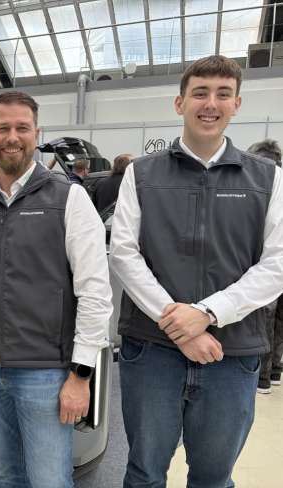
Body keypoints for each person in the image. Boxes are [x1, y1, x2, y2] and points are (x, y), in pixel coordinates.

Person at [109, 55, 283, 488]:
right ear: (179, 102)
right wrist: (178, 325)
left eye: (223, 94)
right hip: (152, 351)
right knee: (144, 473)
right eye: (200, 93)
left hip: (231, 353)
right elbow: (124, 254)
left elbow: (276, 264)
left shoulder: (268, 178)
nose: (211, 103)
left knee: (213, 477)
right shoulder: (141, 174)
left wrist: (206, 313)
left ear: (237, 104)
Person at [0, 91, 112, 488]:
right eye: (3, 128)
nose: (12, 137)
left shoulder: (68, 198)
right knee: (7, 475)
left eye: (22, 128)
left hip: (45, 373)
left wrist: (81, 375)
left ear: (37, 134)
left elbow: (94, 291)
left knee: (49, 480)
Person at [246, 138, 283, 394]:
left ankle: (263, 376)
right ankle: (276, 369)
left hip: (268, 261)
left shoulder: (261, 184)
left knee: (265, 318)